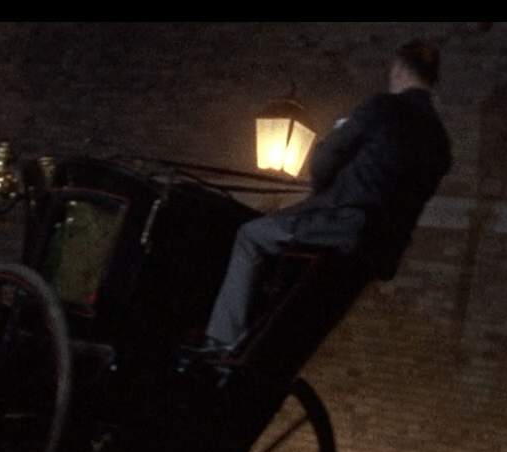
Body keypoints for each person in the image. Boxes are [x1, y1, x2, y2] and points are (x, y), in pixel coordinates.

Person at [194, 40, 453, 357]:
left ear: (399, 69)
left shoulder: (382, 107)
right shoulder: (440, 143)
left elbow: (323, 164)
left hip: (336, 227)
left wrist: (335, 140)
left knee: (251, 235)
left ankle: (221, 339)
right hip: (379, 252)